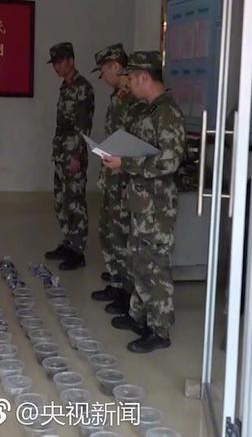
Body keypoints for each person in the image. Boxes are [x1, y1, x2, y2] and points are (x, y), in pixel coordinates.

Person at [102, 51, 184, 353]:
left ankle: (159, 330)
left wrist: (126, 163)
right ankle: (139, 315)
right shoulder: (149, 110)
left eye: (131, 78)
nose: (128, 83)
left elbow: (170, 161)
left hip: (157, 205)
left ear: (144, 77)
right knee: (139, 260)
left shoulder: (167, 113)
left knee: (155, 265)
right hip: (141, 201)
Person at [88, 43, 142, 316]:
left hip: (125, 178)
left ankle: (126, 292)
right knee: (109, 231)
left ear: (116, 67)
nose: (102, 77)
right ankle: (116, 280)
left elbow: (135, 141)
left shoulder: (133, 99)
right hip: (112, 174)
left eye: (104, 71)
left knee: (122, 235)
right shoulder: (118, 96)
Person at [44, 42, 95, 271]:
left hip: (73, 154)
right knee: (61, 200)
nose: (56, 67)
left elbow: (83, 126)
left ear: (71, 61)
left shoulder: (83, 88)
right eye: (54, 63)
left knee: (75, 202)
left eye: (60, 62)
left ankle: (78, 250)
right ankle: (68, 242)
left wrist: (76, 156)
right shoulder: (66, 87)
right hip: (61, 152)